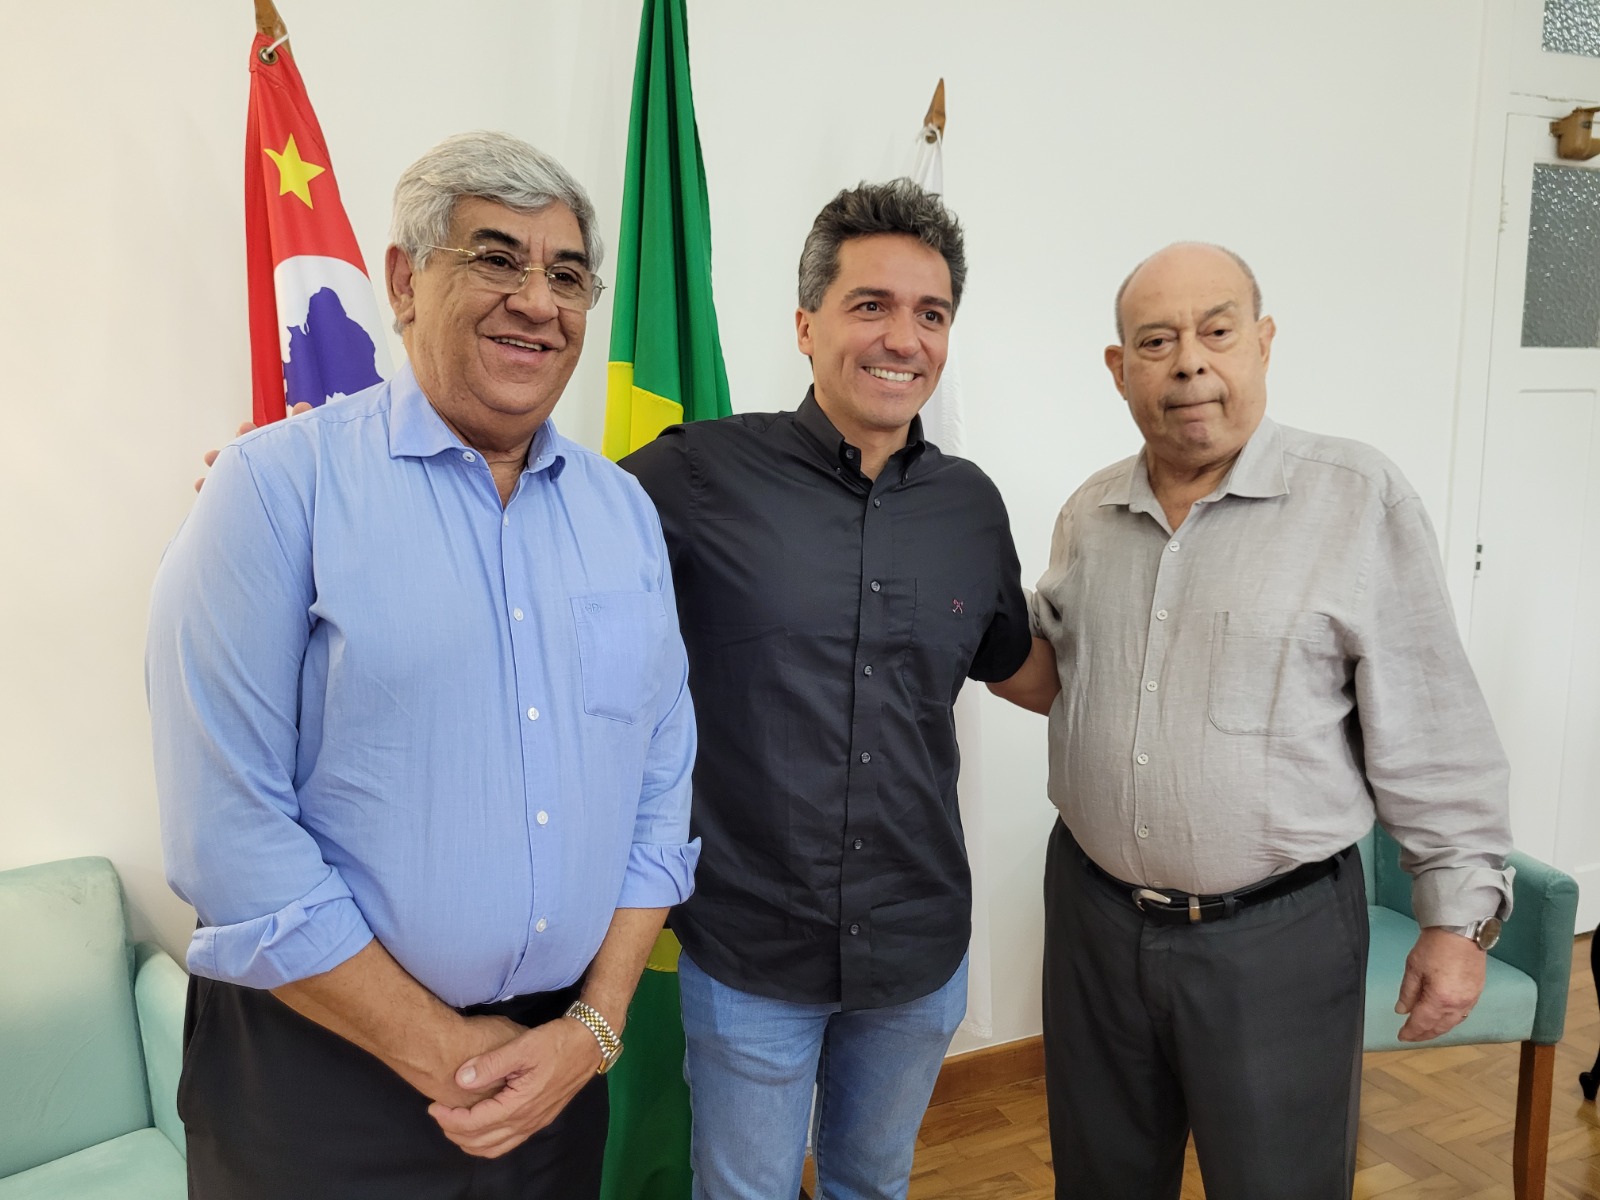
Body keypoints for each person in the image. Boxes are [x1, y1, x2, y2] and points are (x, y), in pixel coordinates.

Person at [147, 131, 698, 1200]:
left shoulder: (625, 513)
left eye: (567, 275)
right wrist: (440, 1050)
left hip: (558, 1072)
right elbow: (226, 834)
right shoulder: (275, 490)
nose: (538, 301)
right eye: (495, 258)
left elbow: (659, 788)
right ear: (402, 282)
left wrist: (595, 1026)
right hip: (320, 1083)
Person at [990, 242, 1514, 1199]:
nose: (1190, 362)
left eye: (1217, 332)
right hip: (1094, 924)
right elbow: (1056, 676)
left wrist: (1456, 923)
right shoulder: (1090, 513)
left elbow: (1434, 729)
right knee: (1100, 1182)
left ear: (1263, 343)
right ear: (1119, 368)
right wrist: (958, 597)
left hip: (1276, 940)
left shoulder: (1357, 499)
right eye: (1157, 341)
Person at [620, 180, 1035, 1200]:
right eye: (871, 305)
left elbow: (1021, 667)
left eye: (930, 314)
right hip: (752, 946)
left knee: (871, 1185)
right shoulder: (697, 473)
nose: (903, 338)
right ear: (806, 326)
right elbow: (533, 530)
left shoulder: (971, 506)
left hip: (917, 947)